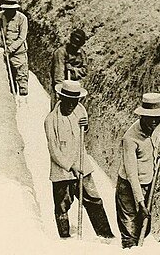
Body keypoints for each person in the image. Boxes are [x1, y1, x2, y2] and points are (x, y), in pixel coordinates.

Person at [44, 80, 115, 240]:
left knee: (94, 201)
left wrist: (86, 125)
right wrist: (70, 167)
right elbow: (54, 150)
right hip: (62, 172)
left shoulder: (80, 110)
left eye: (75, 101)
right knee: (62, 206)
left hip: (83, 167)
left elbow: (83, 130)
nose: (72, 105)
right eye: (68, 101)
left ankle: (106, 236)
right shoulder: (51, 121)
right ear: (61, 98)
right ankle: (65, 239)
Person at [115, 93, 160, 248]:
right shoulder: (130, 139)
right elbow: (132, 175)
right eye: (151, 118)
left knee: (145, 227)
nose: (155, 122)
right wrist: (141, 204)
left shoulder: (158, 122)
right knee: (130, 231)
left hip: (147, 183)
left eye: (158, 118)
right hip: (128, 187)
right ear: (142, 116)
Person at [50, 29, 88, 109]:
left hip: (75, 89)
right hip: (63, 89)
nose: (75, 47)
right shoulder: (60, 52)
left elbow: (85, 71)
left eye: (77, 45)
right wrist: (59, 91)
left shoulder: (81, 53)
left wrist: (73, 70)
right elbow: (59, 74)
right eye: (73, 43)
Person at [0, 0, 29, 96]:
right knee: (7, 80)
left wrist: (10, 49)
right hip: (5, 51)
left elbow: (22, 37)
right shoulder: (0, 16)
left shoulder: (22, 18)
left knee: (22, 79)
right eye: (7, 10)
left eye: (11, 10)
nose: (9, 12)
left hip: (18, 53)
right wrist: (0, 45)